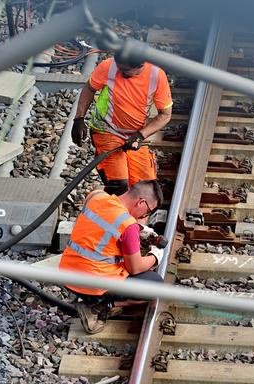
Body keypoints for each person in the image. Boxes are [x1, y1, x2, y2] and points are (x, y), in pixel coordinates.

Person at [59, 180, 165, 334]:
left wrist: (138, 230)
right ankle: (99, 306)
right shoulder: (128, 225)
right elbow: (135, 268)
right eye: (148, 211)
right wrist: (155, 256)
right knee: (155, 284)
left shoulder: (95, 196)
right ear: (141, 202)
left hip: (66, 274)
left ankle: (92, 300)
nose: (144, 215)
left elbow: (101, 226)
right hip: (92, 286)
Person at [72, 51, 173, 196]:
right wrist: (79, 119)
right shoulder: (109, 66)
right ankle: (112, 214)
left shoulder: (156, 76)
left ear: (141, 65)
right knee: (119, 185)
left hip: (135, 134)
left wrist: (140, 135)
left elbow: (165, 115)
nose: (120, 72)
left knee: (145, 189)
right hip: (106, 129)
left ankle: (131, 216)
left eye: (125, 70)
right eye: (119, 67)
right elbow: (89, 88)